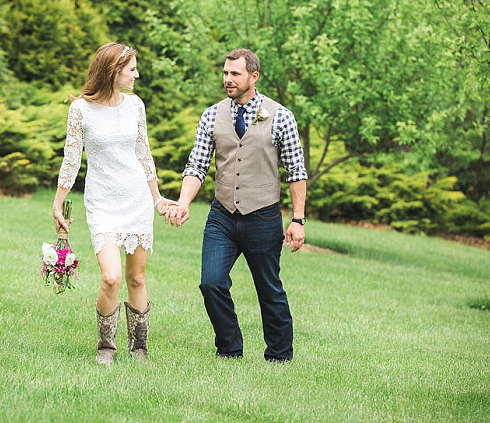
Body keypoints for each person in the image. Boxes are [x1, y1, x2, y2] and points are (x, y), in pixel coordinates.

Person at [164, 48, 307, 362]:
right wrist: (184, 201)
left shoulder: (280, 115)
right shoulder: (212, 115)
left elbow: (296, 170)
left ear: (253, 77)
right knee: (210, 282)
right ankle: (229, 349)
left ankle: (280, 356)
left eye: (235, 74)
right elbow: (196, 165)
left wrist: (298, 219)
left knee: (269, 290)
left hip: (263, 216)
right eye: (226, 73)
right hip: (222, 217)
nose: (228, 79)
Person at [53, 42, 174, 365]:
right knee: (111, 277)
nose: (137, 74)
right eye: (131, 68)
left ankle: (139, 348)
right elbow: (71, 158)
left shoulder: (136, 106)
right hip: (102, 201)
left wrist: (157, 198)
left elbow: (143, 154)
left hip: (136, 199)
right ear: (113, 71)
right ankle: (106, 345)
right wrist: (58, 204)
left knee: (137, 277)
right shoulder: (80, 109)